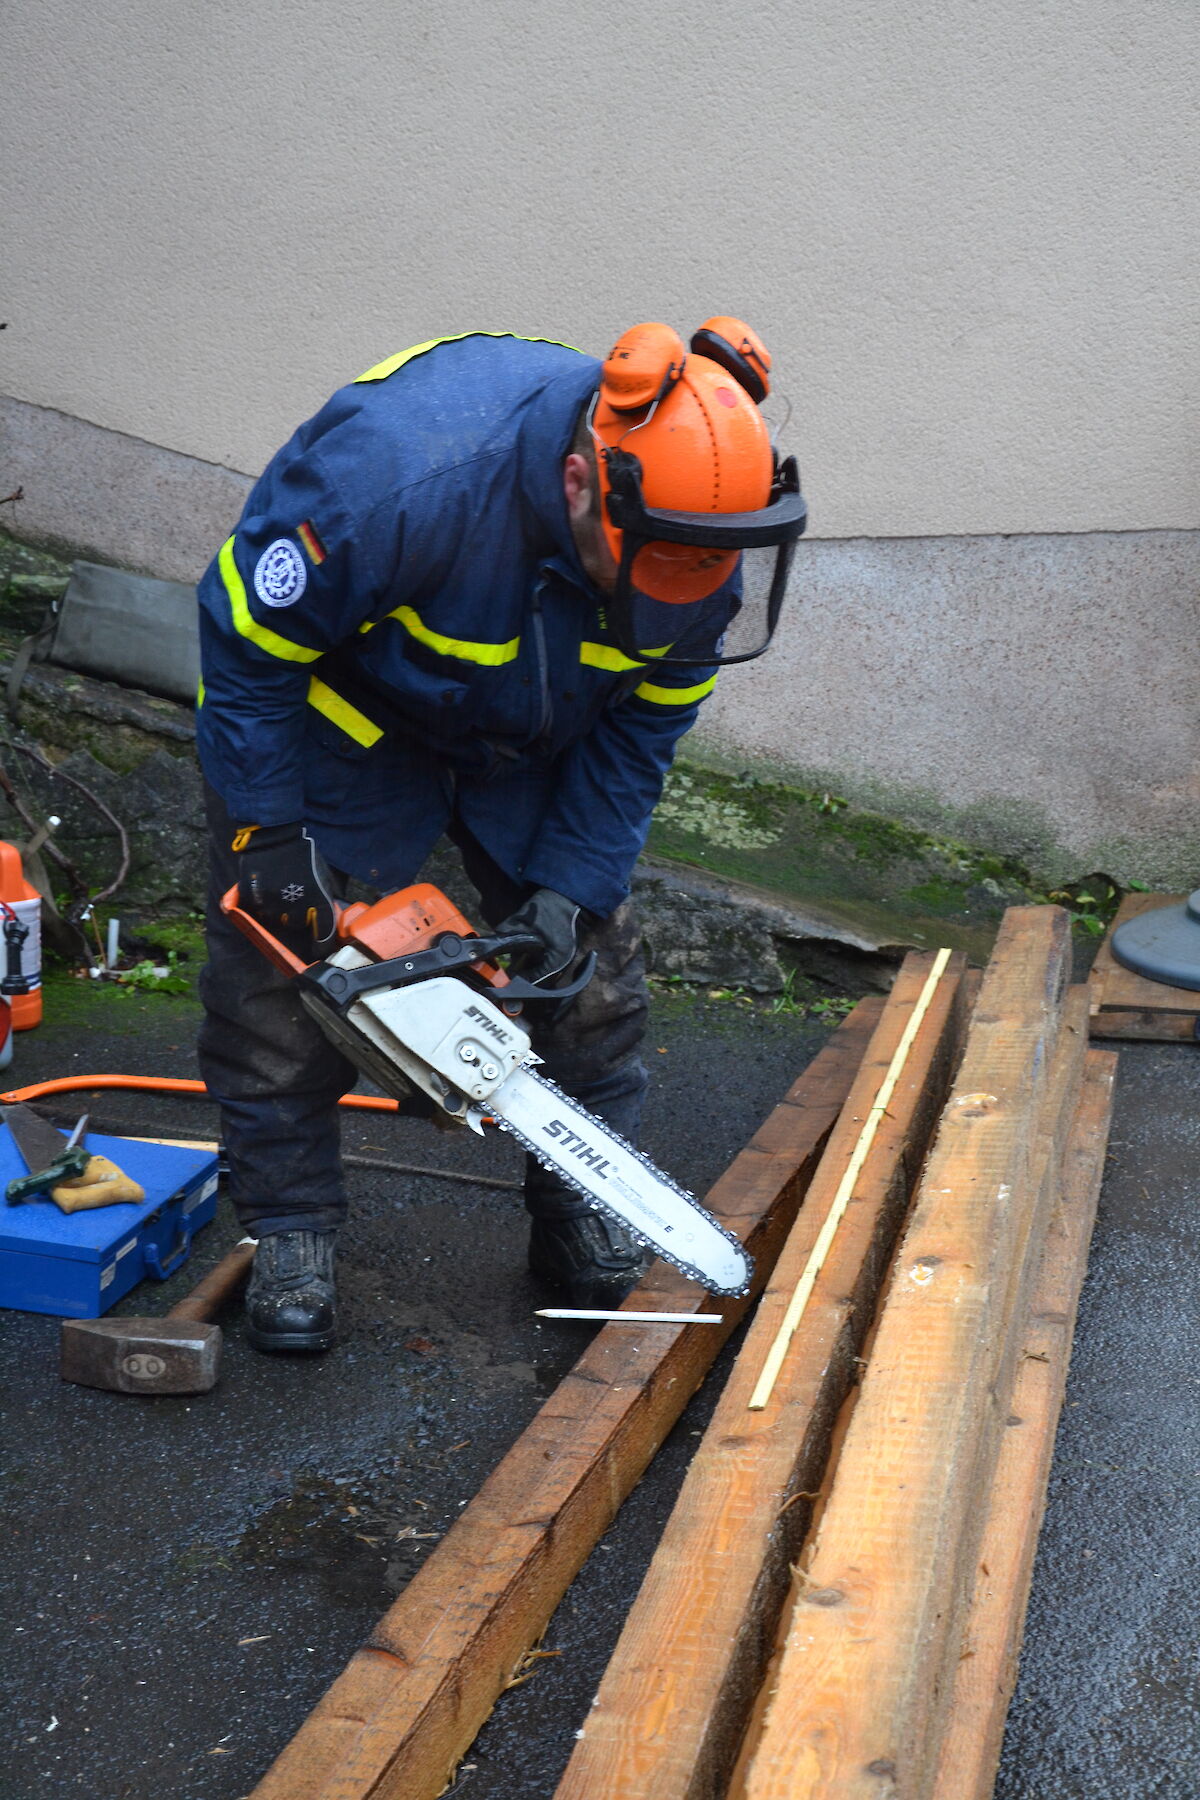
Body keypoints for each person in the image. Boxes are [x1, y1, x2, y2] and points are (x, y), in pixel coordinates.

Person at [195, 319, 806, 1352]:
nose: (670, 590)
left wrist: (573, 883)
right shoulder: (395, 481)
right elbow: (249, 652)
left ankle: (578, 1209)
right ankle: (291, 1228)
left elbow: (642, 734)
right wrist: (268, 835)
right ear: (583, 481)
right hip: (351, 728)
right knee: (276, 989)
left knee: (590, 977)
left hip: (535, 739)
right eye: (645, 565)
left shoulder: (703, 551)